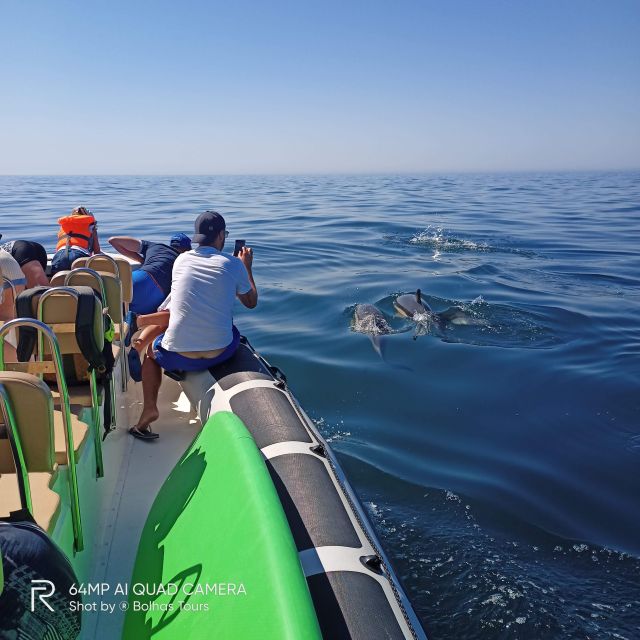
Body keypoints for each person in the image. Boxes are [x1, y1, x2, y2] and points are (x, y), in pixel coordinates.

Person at [129, 211, 258, 440]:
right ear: (221, 236)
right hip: (220, 352)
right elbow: (251, 302)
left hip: (177, 354)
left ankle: (150, 408)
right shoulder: (232, 264)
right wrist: (246, 266)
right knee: (232, 330)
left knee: (150, 353)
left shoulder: (181, 260)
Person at [108, 232, 191, 315]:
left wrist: (141, 260)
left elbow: (113, 241)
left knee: (107, 309)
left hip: (137, 278)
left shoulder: (155, 246)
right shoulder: (186, 259)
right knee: (130, 319)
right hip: (156, 293)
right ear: (188, 249)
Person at [51, 206, 101, 274]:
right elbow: (97, 251)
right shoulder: (90, 226)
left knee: (58, 281)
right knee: (79, 281)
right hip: (79, 255)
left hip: (60, 255)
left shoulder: (65, 224)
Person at [0, 246, 27, 361]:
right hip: (19, 338)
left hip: (9, 339)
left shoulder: (3, 261)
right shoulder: (5, 257)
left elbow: (6, 316)